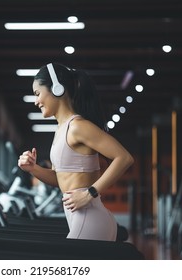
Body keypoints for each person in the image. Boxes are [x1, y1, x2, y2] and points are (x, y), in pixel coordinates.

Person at [17, 62, 134, 241]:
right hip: (82, 217)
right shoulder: (62, 130)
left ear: (56, 89)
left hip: (90, 218)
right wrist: (33, 169)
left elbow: (124, 158)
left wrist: (90, 193)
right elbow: (61, 180)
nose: (36, 101)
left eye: (38, 94)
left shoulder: (77, 127)